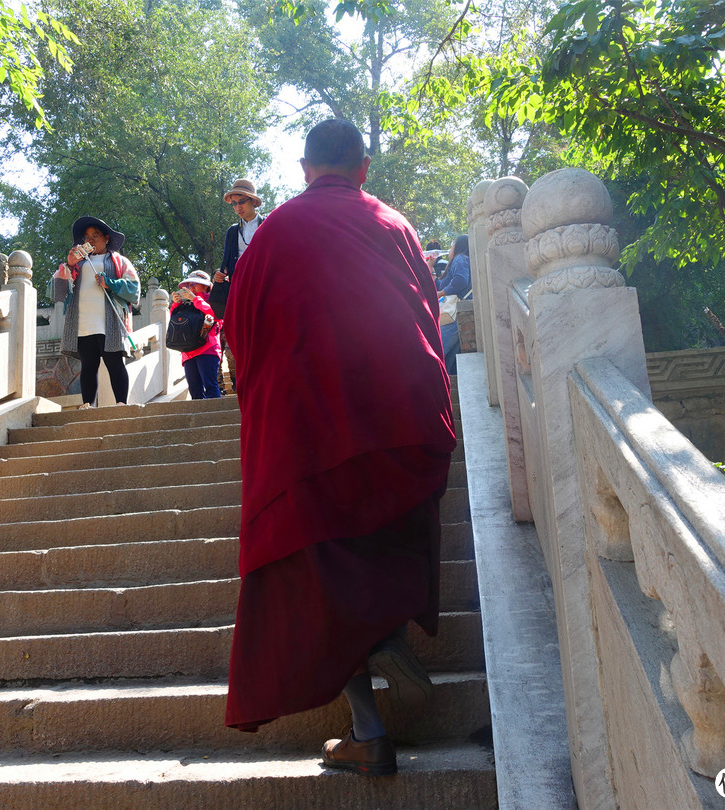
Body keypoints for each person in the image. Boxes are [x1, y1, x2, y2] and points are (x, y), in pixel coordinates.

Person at [223, 119, 456, 777]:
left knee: (315, 561)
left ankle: (369, 726)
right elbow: (427, 317)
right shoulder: (397, 226)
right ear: (364, 166)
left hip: (312, 428)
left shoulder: (272, 234)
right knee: (377, 537)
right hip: (406, 420)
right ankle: (382, 633)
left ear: (304, 169)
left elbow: (240, 331)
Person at [53, 216, 140, 408]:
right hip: (83, 320)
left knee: (114, 361)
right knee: (88, 365)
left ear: (106, 238)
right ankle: (87, 404)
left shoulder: (119, 261)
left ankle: (121, 403)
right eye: (87, 237)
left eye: (95, 235)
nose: (90, 240)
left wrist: (110, 284)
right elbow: (57, 291)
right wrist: (69, 264)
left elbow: (134, 289)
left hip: (109, 320)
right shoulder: (77, 262)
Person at [211, 178, 264, 392]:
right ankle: (246, 380)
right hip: (238, 288)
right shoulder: (233, 231)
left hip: (262, 287)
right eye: (234, 203)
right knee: (241, 336)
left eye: (241, 201)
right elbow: (225, 263)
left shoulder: (267, 224)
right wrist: (218, 274)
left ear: (252, 201)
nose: (237, 207)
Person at [170, 270, 222, 399]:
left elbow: (215, 316)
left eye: (194, 284)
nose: (190, 287)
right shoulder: (184, 304)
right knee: (195, 391)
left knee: (210, 386)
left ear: (206, 286)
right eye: (188, 284)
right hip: (188, 352)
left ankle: (215, 416)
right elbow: (174, 322)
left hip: (208, 348)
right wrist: (176, 304)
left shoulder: (213, 301)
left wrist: (195, 299)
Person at [436, 234, 471, 375]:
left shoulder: (460, 259)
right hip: (457, 315)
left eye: (453, 244)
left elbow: (460, 281)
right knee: (449, 359)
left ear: (459, 246)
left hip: (453, 315)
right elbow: (441, 285)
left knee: (439, 351)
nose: (450, 247)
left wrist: (441, 294)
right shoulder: (460, 261)